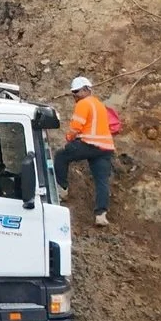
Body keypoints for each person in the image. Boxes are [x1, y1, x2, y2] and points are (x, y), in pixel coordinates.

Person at [57, 76, 116, 226]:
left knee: (61, 156)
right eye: (73, 92)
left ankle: (62, 190)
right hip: (105, 148)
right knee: (101, 181)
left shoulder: (83, 104)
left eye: (76, 91)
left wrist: (69, 138)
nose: (74, 95)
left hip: (89, 144)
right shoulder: (99, 104)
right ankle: (101, 215)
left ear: (86, 90)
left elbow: (76, 127)